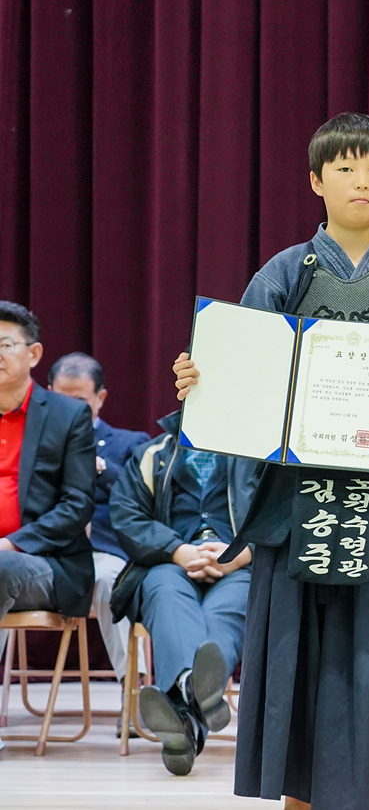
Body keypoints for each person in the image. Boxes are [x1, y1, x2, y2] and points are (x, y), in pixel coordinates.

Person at [173, 113, 369, 810]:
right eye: (344, 168)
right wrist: (203, 379)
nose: (361, 181)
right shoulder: (284, 272)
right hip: (298, 498)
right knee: (297, 651)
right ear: (316, 181)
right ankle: (298, 796)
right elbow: (241, 374)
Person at [109, 412, 255, 775]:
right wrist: (177, 549)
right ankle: (196, 690)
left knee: (225, 610)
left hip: (239, 567)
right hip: (170, 564)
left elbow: (282, 513)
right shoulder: (151, 453)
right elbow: (127, 515)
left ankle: (183, 713)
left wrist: (243, 553)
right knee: (164, 590)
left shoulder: (260, 452)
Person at [48, 352, 150, 688]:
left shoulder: (129, 442)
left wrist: (98, 465)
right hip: (44, 548)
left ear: (100, 398)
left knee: (113, 582)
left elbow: (143, 497)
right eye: (59, 400)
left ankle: (132, 694)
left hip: (102, 552)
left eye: (78, 402)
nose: (67, 410)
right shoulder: (34, 441)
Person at [0, 301, 95, 647]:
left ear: (34, 354)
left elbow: (78, 505)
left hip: (46, 563)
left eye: (5, 345)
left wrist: (11, 544)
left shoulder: (67, 415)